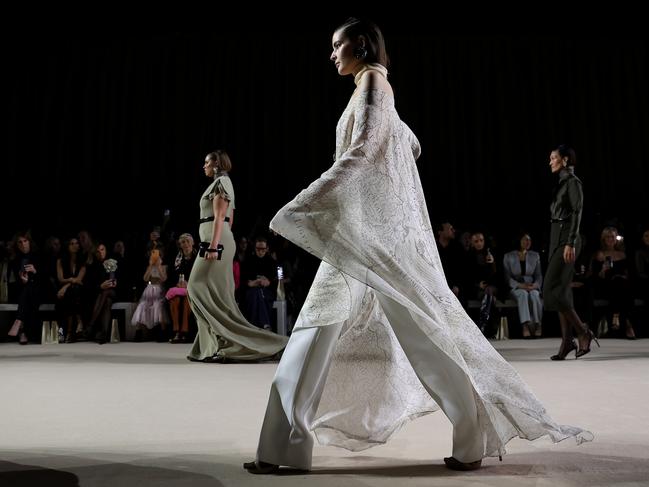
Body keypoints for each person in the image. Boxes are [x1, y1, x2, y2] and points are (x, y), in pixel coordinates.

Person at [244, 18, 592, 475]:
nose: (331, 53)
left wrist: (304, 203)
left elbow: (365, 149)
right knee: (399, 333)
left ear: (362, 45)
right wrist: (399, 146)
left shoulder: (371, 82)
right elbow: (405, 141)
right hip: (366, 238)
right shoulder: (375, 86)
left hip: (368, 240)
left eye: (337, 44)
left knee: (384, 332)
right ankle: (468, 439)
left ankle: (288, 448)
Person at [186, 150, 287, 362]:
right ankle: (218, 344)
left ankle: (226, 342)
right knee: (216, 294)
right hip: (217, 240)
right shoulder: (221, 183)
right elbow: (230, 220)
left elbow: (222, 216)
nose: (203, 166)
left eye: (206, 162)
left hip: (215, 244)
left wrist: (214, 246)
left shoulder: (222, 182)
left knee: (195, 287)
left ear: (215, 163)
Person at [543, 145, 599, 359]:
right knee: (562, 291)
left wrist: (571, 242)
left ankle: (583, 332)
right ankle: (567, 342)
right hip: (556, 237)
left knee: (550, 290)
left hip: (567, 238)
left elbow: (577, 212)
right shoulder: (562, 183)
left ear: (565, 160)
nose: (550, 162)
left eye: (553, 158)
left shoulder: (573, 183)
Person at [503, 233, 543, 338]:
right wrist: (520, 285)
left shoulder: (535, 256)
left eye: (529, 240)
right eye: (525, 240)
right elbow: (507, 277)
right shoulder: (508, 256)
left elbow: (539, 275)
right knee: (523, 294)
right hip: (517, 287)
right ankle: (525, 326)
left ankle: (538, 325)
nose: (528, 242)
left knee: (535, 294)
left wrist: (535, 285)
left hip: (531, 286)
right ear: (519, 241)